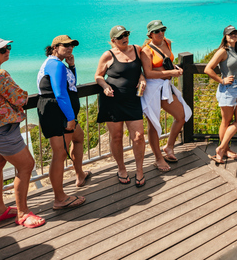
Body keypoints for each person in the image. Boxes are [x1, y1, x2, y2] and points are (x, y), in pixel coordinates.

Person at [0, 37, 45, 228]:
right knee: (27, 165)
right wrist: (24, 95)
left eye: (8, 47)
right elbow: (20, 98)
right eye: (2, 49)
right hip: (2, 129)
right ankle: (23, 213)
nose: (7, 51)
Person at [37, 34, 89, 210]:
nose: (69, 48)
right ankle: (59, 198)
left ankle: (80, 174)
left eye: (71, 45)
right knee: (59, 154)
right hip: (58, 113)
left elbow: (71, 84)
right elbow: (60, 93)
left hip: (59, 112)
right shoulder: (55, 65)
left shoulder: (58, 64)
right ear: (54, 48)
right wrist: (70, 118)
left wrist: (72, 65)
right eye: (65, 45)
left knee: (78, 137)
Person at [95, 26, 147, 187]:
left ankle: (139, 170)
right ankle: (122, 168)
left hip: (132, 99)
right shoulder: (107, 55)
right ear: (113, 41)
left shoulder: (138, 50)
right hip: (112, 101)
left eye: (126, 34)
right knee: (116, 137)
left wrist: (142, 78)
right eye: (120, 37)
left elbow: (138, 69)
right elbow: (98, 76)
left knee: (138, 137)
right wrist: (104, 86)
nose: (124, 38)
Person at [139, 20, 192, 172]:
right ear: (150, 34)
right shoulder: (146, 51)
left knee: (181, 116)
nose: (160, 33)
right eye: (157, 31)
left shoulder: (167, 43)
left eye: (162, 30)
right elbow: (148, 73)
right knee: (154, 125)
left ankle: (169, 147)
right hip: (153, 88)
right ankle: (158, 158)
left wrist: (173, 68)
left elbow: (166, 61)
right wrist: (172, 73)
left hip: (165, 86)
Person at [204, 25, 237, 164]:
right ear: (225, 37)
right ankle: (223, 149)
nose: (233, 36)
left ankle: (223, 148)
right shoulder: (222, 51)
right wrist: (221, 80)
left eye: (235, 33)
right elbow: (208, 69)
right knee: (226, 121)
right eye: (230, 34)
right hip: (228, 89)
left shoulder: (235, 50)